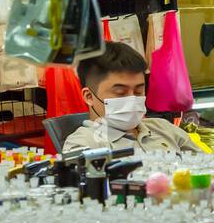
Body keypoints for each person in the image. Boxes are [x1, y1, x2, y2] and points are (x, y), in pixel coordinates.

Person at [63, 41, 200, 154]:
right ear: (89, 96)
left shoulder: (164, 128)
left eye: (139, 91)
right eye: (120, 93)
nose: (132, 99)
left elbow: (208, 169)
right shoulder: (83, 145)